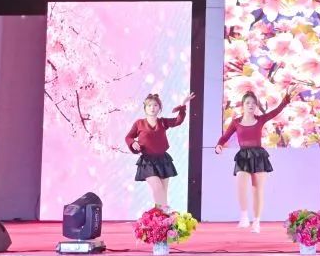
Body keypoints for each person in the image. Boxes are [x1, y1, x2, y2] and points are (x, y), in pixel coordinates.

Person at [215, 88, 294, 233]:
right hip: (243, 156)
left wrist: (285, 101)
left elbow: (275, 112)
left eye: (253, 103)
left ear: (256, 105)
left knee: (257, 189)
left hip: (259, 156)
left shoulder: (260, 119)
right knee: (241, 183)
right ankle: (244, 216)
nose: (251, 105)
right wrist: (219, 145)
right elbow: (225, 137)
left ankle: (256, 222)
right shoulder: (236, 122)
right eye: (248, 103)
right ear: (243, 105)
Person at [125, 92, 196, 210]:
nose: (152, 108)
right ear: (145, 108)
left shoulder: (163, 122)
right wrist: (133, 142)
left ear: (159, 108)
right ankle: (165, 213)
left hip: (163, 160)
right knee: (157, 188)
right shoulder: (139, 123)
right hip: (147, 162)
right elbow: (128, 137)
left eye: (155, 105)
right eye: (149, 105)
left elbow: (178, 121)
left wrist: (183, 105)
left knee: (163, 191)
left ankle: (161, 215)